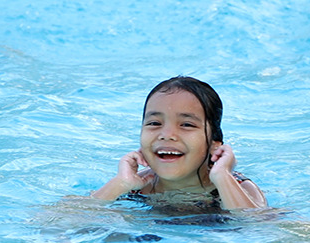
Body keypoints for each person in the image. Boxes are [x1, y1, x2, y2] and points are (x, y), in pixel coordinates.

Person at [92, 76, 267, 212]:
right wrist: (121, 183)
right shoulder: (135, 188)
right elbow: (68, 223)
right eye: (154, 123)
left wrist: (222, 176)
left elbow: (261, 231)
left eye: (186, 125)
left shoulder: (239, 187)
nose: (166, 135)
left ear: (214, 144)